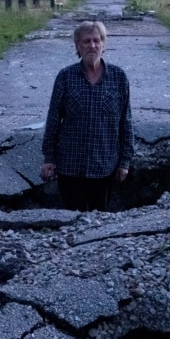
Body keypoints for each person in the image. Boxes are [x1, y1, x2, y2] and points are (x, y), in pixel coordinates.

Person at [40, 21, 134, 212]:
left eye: (96, 40)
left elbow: (126, 121)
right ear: (77, 46)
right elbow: (53, 119)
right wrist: (49, 158)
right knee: (71, 219)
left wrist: (124, 161)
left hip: (104, 166)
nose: (92, 45)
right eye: (86, 41)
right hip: (70, 166)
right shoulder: (65, 77)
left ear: (103, 44)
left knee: (100, 220)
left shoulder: (118, 77)